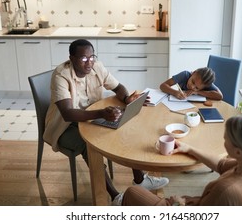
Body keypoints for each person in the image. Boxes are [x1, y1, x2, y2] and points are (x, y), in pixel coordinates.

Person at [43, 39, 169, 204]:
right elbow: (67, 114)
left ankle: (140, 179)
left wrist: (126, 98)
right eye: (83, 58)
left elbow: (118, 87)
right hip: (64, 127)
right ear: (71, 59)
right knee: (88, 145)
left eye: (92, 57)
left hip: (91, 117)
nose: (89, 62)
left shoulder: (97, 66)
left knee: (125, 125)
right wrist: (101, 113)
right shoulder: (61, 76)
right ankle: (116, 196)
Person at [118, 114, 242, 206]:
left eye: (226, 140)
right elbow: (222, 164)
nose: (223, 142)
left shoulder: (227, 190)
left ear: (238, 151)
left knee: (132, 192)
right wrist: (189, 148)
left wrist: (178, 203)